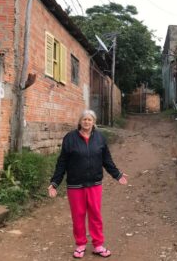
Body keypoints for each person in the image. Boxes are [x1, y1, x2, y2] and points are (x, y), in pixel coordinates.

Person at [48, 109, 128, 259]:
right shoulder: (70, 138)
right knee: (78, 216)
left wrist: (117, 174)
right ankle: (80, 244)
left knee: (95, 214)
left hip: (94, 184)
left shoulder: (100, 138)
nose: (86, 122)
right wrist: (55, 182)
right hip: (75, 185)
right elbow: (62, 162)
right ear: (80, 121)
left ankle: (98, 245)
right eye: (84, 119)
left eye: (89, 119)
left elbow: (107, 160)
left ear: (94, 122)